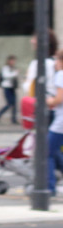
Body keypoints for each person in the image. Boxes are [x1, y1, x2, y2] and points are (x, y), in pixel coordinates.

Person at [46, 50, 63, 195]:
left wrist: (49, 101)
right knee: (55, 150)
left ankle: (49, 188)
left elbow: (59, 98)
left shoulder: (60, 75)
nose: (55, 63)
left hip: (60, 122)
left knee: (47, 152)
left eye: (57, 60)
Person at [0, 54, 19, 124]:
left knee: (14, 104)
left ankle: (14, 119)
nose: (13, 62)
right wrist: (15, 73)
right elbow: (6, 76)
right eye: (12, 60)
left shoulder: (13, 68)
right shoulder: (5, 68)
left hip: (12, 87)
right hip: (7, 88)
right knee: (9, 104)